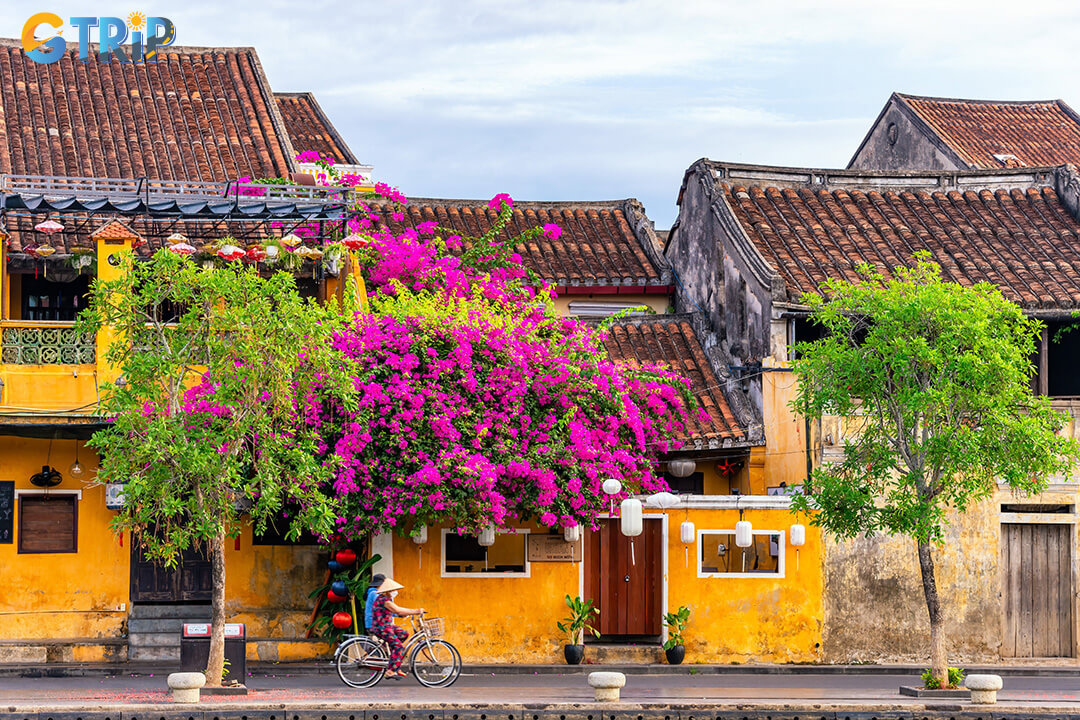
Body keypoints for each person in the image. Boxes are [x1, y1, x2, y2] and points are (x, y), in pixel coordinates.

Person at [370, 577, 423, 678]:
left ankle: (394, 661)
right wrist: (416, 611)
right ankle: (390, 671)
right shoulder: (385, 600)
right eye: (393, 590)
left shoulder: (386, 599)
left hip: (386, 626)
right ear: (388, 591)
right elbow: (398, 610)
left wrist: (404, 613)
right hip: (382, 628)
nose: (395, 592)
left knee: (404, 634)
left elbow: (396, 611)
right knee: (399, 647)